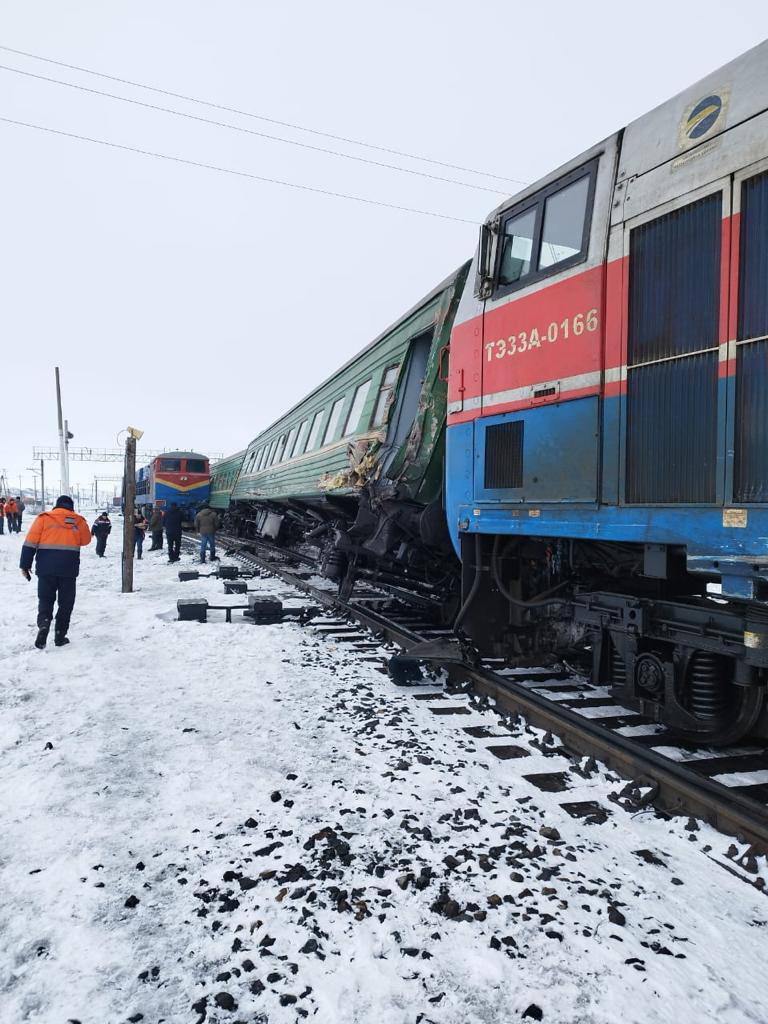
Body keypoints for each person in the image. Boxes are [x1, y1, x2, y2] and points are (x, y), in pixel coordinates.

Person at [19, 494, 91, 649]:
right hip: (68, 570)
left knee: (45, 600)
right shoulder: (78, 520)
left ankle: (44, 625)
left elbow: (30, 543)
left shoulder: (43, 518)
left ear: (56, 506)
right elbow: (86, 540)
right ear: (71, 507)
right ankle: (60, 636)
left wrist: (25, 565)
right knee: (66, 603)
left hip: (45, 570)